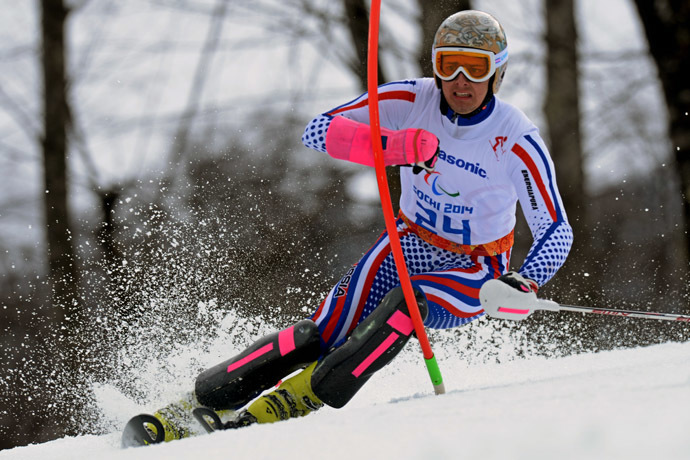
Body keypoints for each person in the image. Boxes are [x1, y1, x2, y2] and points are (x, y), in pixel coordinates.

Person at [122, 10, 573, 446]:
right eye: (447, 65)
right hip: (408, 242)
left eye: (474, 69)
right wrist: (390, 145)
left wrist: (525, 279)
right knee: (318, 335)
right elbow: (319, 130)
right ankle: (188, 408)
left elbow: (555, 227)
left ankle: (278, 409)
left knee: (406, 307)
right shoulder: (412, 100)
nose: (460, 80)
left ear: (497, 73)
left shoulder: (515, 137)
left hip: (474, 267)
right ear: (434, 67)